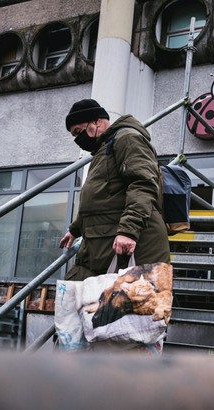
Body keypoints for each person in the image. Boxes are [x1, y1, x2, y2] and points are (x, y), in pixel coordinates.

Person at [58, 99, 171, 281]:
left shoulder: (127, 138)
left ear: (97, 121)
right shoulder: (105, 148)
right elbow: (103, 196)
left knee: (137, 305)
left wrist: (128, 231)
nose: (78, 140)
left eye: (79, 132)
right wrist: (76, 229)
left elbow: (142, 184)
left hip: (134, 243)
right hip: (105, 240)